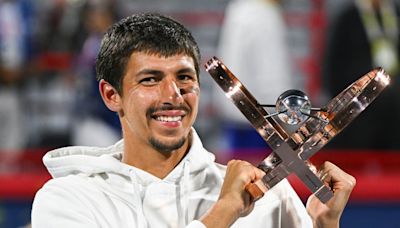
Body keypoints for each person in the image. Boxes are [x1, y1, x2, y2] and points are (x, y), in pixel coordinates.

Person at [31, 13, 355, 227]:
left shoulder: (268, 196)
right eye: (150, 79)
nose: (173, 94)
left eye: (184, 77)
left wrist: (325, 225)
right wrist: (223, 213)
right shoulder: (68, 199)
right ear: (111, 95)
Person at [214, 0, 299, 151]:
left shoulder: (239, 9)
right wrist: (291, 121)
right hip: (261, 126)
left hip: (235, 119)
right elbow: (271, 79)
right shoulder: (264, 15)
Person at [322, 0, 400, 149]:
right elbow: (334, 67)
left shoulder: (396, 13)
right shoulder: (348, 19)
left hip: (395, 115)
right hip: (359, 111)